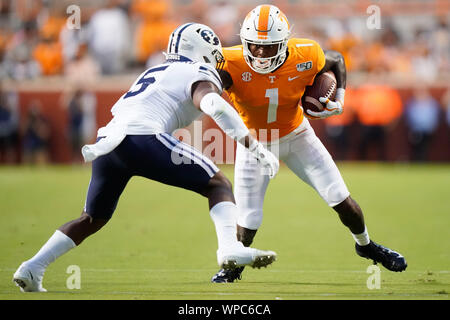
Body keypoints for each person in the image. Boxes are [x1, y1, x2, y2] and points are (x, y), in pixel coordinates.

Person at [13, 23, 279, 292]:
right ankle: (229, 249)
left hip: (109, 144)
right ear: (202, 50)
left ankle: (33, 267)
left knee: (91, 219)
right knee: (217, 183)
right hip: (142, 137)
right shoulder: (196, 70)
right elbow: (214, 105)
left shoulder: (155, 70)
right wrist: (254, 147)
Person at [211, 5, 407, 283]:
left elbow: (336, 59)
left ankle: (366, 246)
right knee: (249, 218)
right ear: (245, 41)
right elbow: (207, 88)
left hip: (298, 135)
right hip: (254, 143)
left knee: (341, 199)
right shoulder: (229, 61)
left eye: (270, 47)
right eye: (255, 46)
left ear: (285, 43)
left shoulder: (306, 53)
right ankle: (235, 267)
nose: (261, 53)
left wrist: (339, 97)